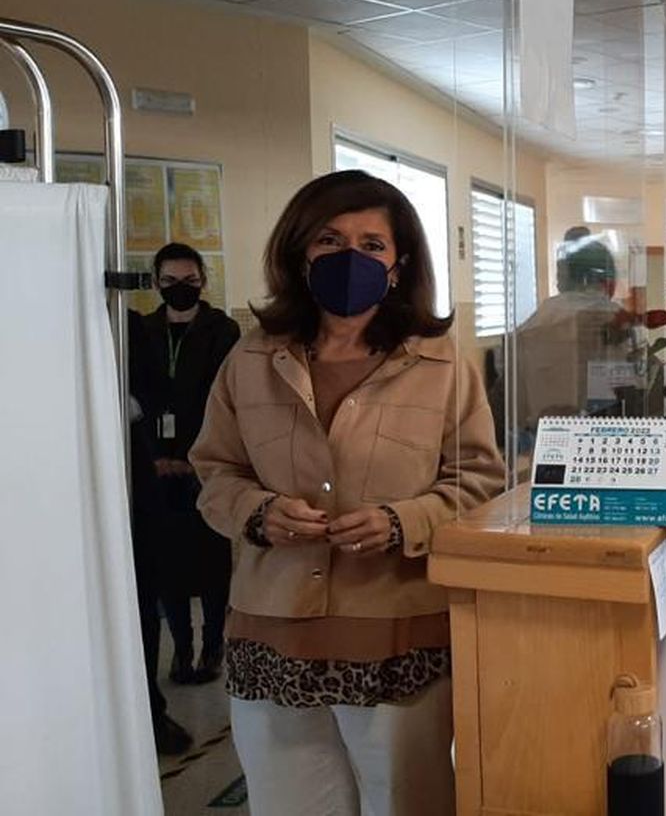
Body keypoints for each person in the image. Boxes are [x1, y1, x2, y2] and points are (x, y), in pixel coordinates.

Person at [190, 170, 504, 816]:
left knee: (406, 802)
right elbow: (214, 471)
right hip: (271, 632)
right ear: (300, 252)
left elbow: (479, 482)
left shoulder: (442, 365)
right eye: (330, 240)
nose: (350, 257)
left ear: (399, 263)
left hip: (396, 636)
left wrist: (402, 521)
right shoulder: (250, 360)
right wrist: (258, 512)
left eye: (371, 244)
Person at [144, 242, 240, 684]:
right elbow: (137, 398)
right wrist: (157, 456)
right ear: (155, 282)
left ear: (202, 279)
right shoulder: (142, 332)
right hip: (156, 466)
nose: (180, 289)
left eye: (189, 280)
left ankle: (213, 644)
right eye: (169, 282)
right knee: (169, 561)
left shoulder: (223, 330)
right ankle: (180, 647)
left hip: (207, 464)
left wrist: (194, 458)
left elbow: (223, 402)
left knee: (211, 558)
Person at [126, 307, 194, 755]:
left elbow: (156, 392)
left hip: (134, 470)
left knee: (142, 597)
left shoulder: (121, 322)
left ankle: (148, 710)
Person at [506, 226, 634, 433]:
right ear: (606, 280)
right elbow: (632, 386)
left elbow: (513, 392)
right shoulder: (610, 316)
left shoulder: (539, 318)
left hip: (540, 434)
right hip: (599, 433)